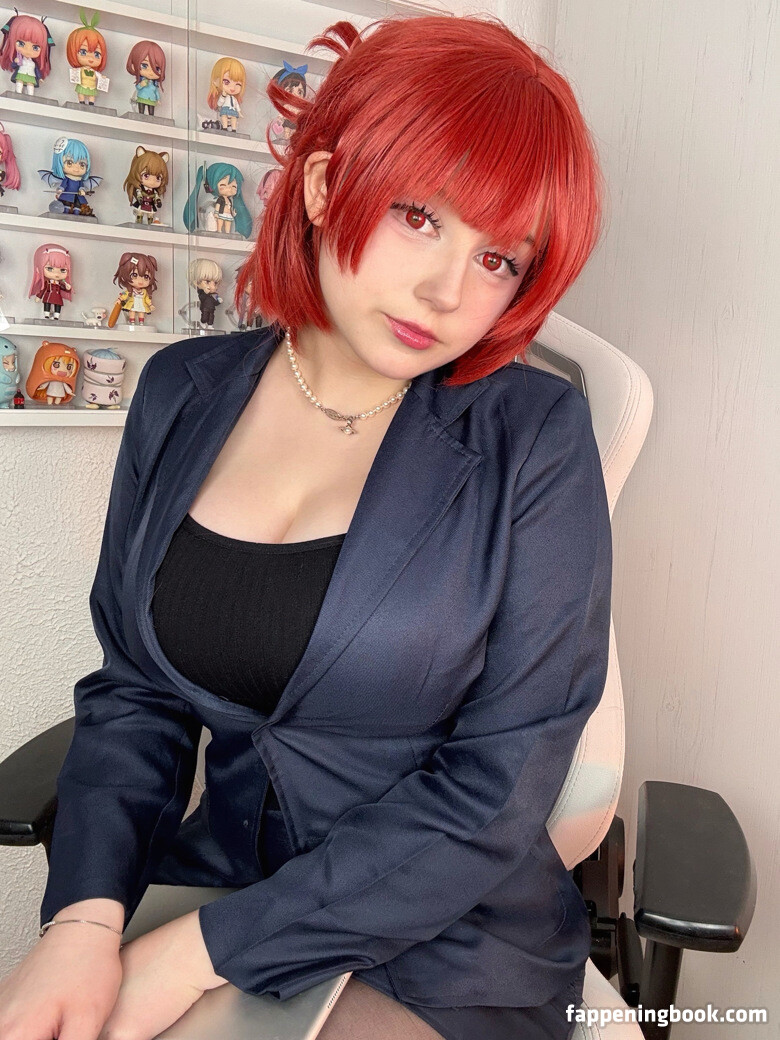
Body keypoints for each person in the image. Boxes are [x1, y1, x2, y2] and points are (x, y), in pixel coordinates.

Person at [0, 14, 611, 1040]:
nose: (447, 291)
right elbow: (137, 691)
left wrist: (192, 954)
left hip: (445, 934)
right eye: (420, 216)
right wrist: (84, 917)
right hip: (220, 872)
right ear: (327, 186)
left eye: (499, 259)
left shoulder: (535, 436)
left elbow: (499, 789)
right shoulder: (181, 394)